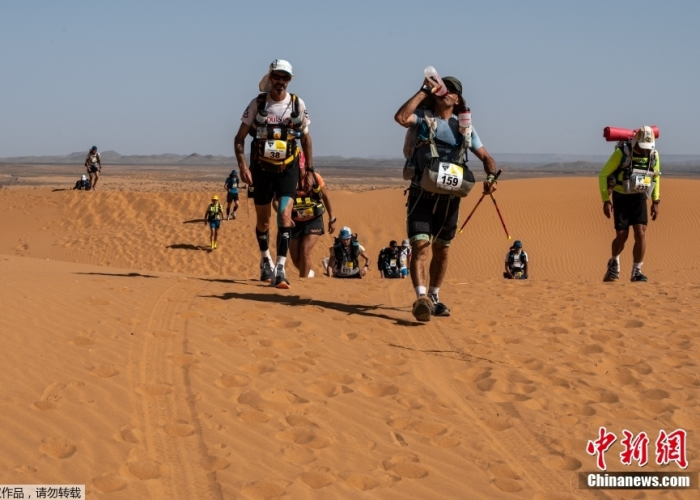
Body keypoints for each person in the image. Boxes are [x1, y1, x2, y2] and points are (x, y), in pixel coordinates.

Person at [395, 74, 498, 321]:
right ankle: (421, 298)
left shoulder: (464, 128)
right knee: (420, 246)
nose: (446, 91)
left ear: (458, 99)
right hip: (422, 194)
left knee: (442, 249)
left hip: (451, 199)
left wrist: (492, 176)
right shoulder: (422, 119)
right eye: (443, 87)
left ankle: (434, 297)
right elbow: (400, 118)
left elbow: (486, 157)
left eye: (451, 89)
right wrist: (423, 90)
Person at [234, 59, 312, 289]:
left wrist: (309, 169)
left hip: (288, 169)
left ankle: (281, 267)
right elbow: (239, 138)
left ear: (289, 80)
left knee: (286, 217)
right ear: (270, 78)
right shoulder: (257, 104)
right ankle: (265, 259)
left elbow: (306, 138)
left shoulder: (297, 104)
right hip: (261, 170)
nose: (281, 82)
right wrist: (243, 166)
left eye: (285, 78)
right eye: (277, 77)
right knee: (264, 221)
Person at [599, 126, 660, 282]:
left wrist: (655, 201)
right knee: (622, 236)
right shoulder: (622, 153)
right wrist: (606, 200)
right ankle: (614, 262)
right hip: (621, 197)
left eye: (648, 148)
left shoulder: (653, 155)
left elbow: (656, 177)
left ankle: (636, 271)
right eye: (642, 147)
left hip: (639, 198)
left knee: (640, 234)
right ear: (635, 142)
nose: (645, 151)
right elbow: (603, 174)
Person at [289, 154, 336, 278]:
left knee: (305, 251)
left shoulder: (315, 177)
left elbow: (326, 197)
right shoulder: (288, 178)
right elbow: (277, 200)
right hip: (294, 221)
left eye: (301, 167)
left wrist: (332, 218)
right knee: (295, 258)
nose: (299, 170)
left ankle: (303, 283)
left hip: (313, 220)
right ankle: (308, 273)